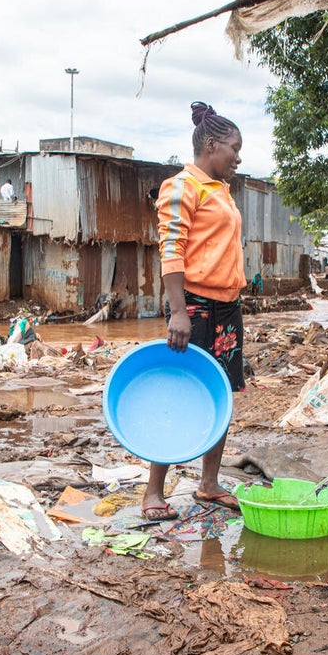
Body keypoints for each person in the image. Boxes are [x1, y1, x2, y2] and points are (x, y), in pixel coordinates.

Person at [141, 101, 246, 521]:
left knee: (219, 395)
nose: (238, 157)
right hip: (196, 308)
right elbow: (172, 250)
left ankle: (209, 484)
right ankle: (153, 491)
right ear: (210, 144)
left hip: (227, 308)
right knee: (179, 392)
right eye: (234, 148)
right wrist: (177, 312)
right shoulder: (182, 186)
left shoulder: (219, 190)